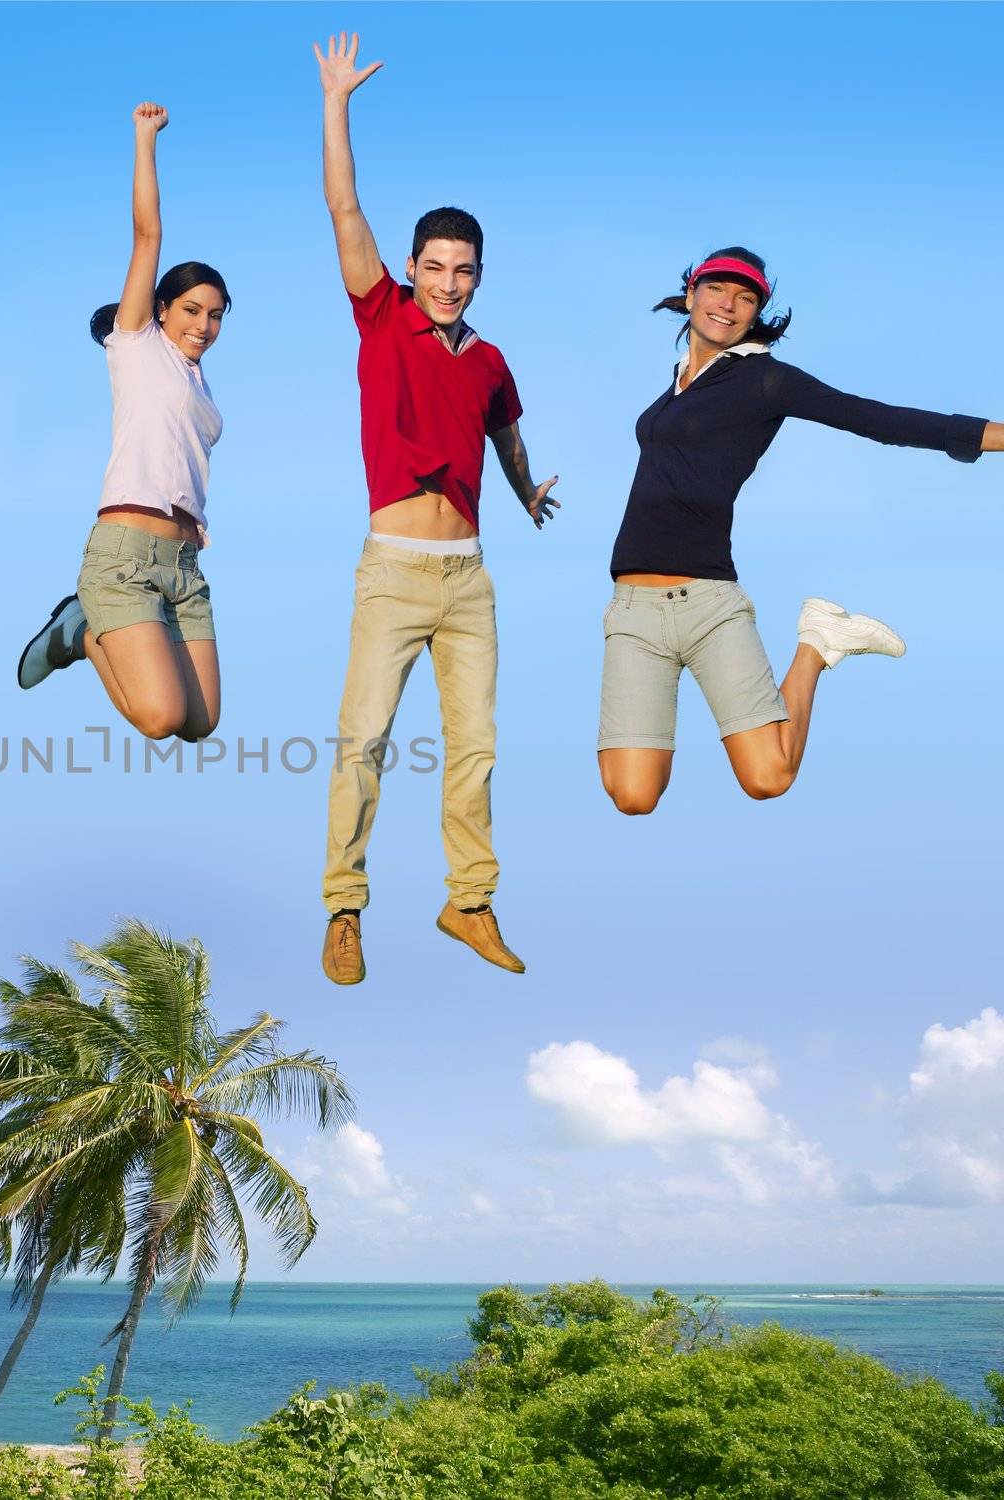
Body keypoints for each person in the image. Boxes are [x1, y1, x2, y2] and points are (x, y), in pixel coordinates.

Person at [314, 34, 559, 987]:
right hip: (394, 570)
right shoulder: (382, 314)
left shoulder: (491, 359)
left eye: (465, 270)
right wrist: (337, 103)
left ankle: (469, 901)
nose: (449, 281)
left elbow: (504, 435)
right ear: (412, 265)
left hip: (470, 579)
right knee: (363, 743)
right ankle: (343, 907)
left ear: (479, 276)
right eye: (436, 265)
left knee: (479, 749)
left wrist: (527, 489)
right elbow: (343, 206)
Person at [598, 247, 1003, 817]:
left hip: (708, 600)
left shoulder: (765, 380)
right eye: (718, 289)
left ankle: (816, 644)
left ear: (756, 312)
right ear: (691, 294)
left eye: (746, 298)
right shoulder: (678, 386)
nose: (729, 305)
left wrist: (996, 436)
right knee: (633, 796)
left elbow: (880, 419)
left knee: (769, 776)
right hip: (633, 609)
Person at [15, 103, 226, 744]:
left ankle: (92, 627)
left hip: (183, 566)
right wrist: (145, 139)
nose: (203, 325)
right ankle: (80, 629)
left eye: (216, 315)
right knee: (159, 718)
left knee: (200, 723)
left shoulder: (201, 386)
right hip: (125, 557)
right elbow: (147, 235)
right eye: (190, 310)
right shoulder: (135, 346)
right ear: (160, 310)